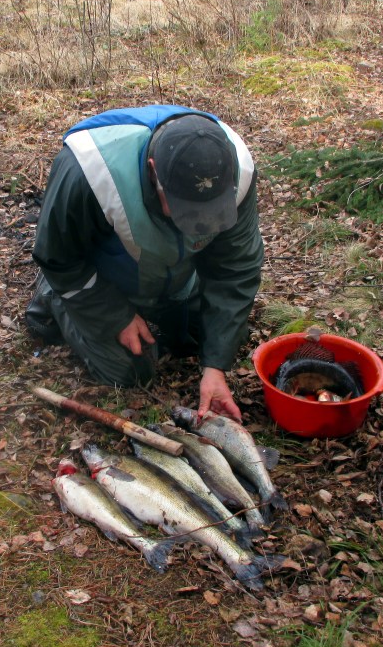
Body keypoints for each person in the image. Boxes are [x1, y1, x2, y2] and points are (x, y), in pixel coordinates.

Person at [25, 105, 263, 420]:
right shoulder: (88, 169)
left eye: (208, 211)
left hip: (173, 274)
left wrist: (215, 366)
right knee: (131, 371)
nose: (196, 223)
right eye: (184, 210)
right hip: (103, 277)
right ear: (153, 171)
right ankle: (55, 298)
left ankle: (166, 304)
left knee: (214, 340)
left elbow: (236, 269)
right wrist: (115, 317)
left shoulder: (236, 168)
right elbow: (57, 257)